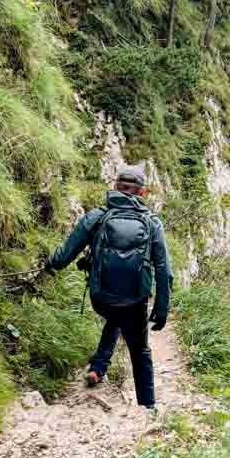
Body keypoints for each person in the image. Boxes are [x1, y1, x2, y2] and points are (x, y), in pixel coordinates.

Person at [44, 165, 171, 410]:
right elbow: (164, 270)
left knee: (114, 316)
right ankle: (148, 407)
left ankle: (98, 367)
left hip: (100, 298)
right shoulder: (152, 223)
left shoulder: (97, 217)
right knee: (140, 350)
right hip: (135, 302)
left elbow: (65, 254)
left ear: (115, 188)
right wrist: (161, 309)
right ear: (141, 194)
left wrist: (49, 265)